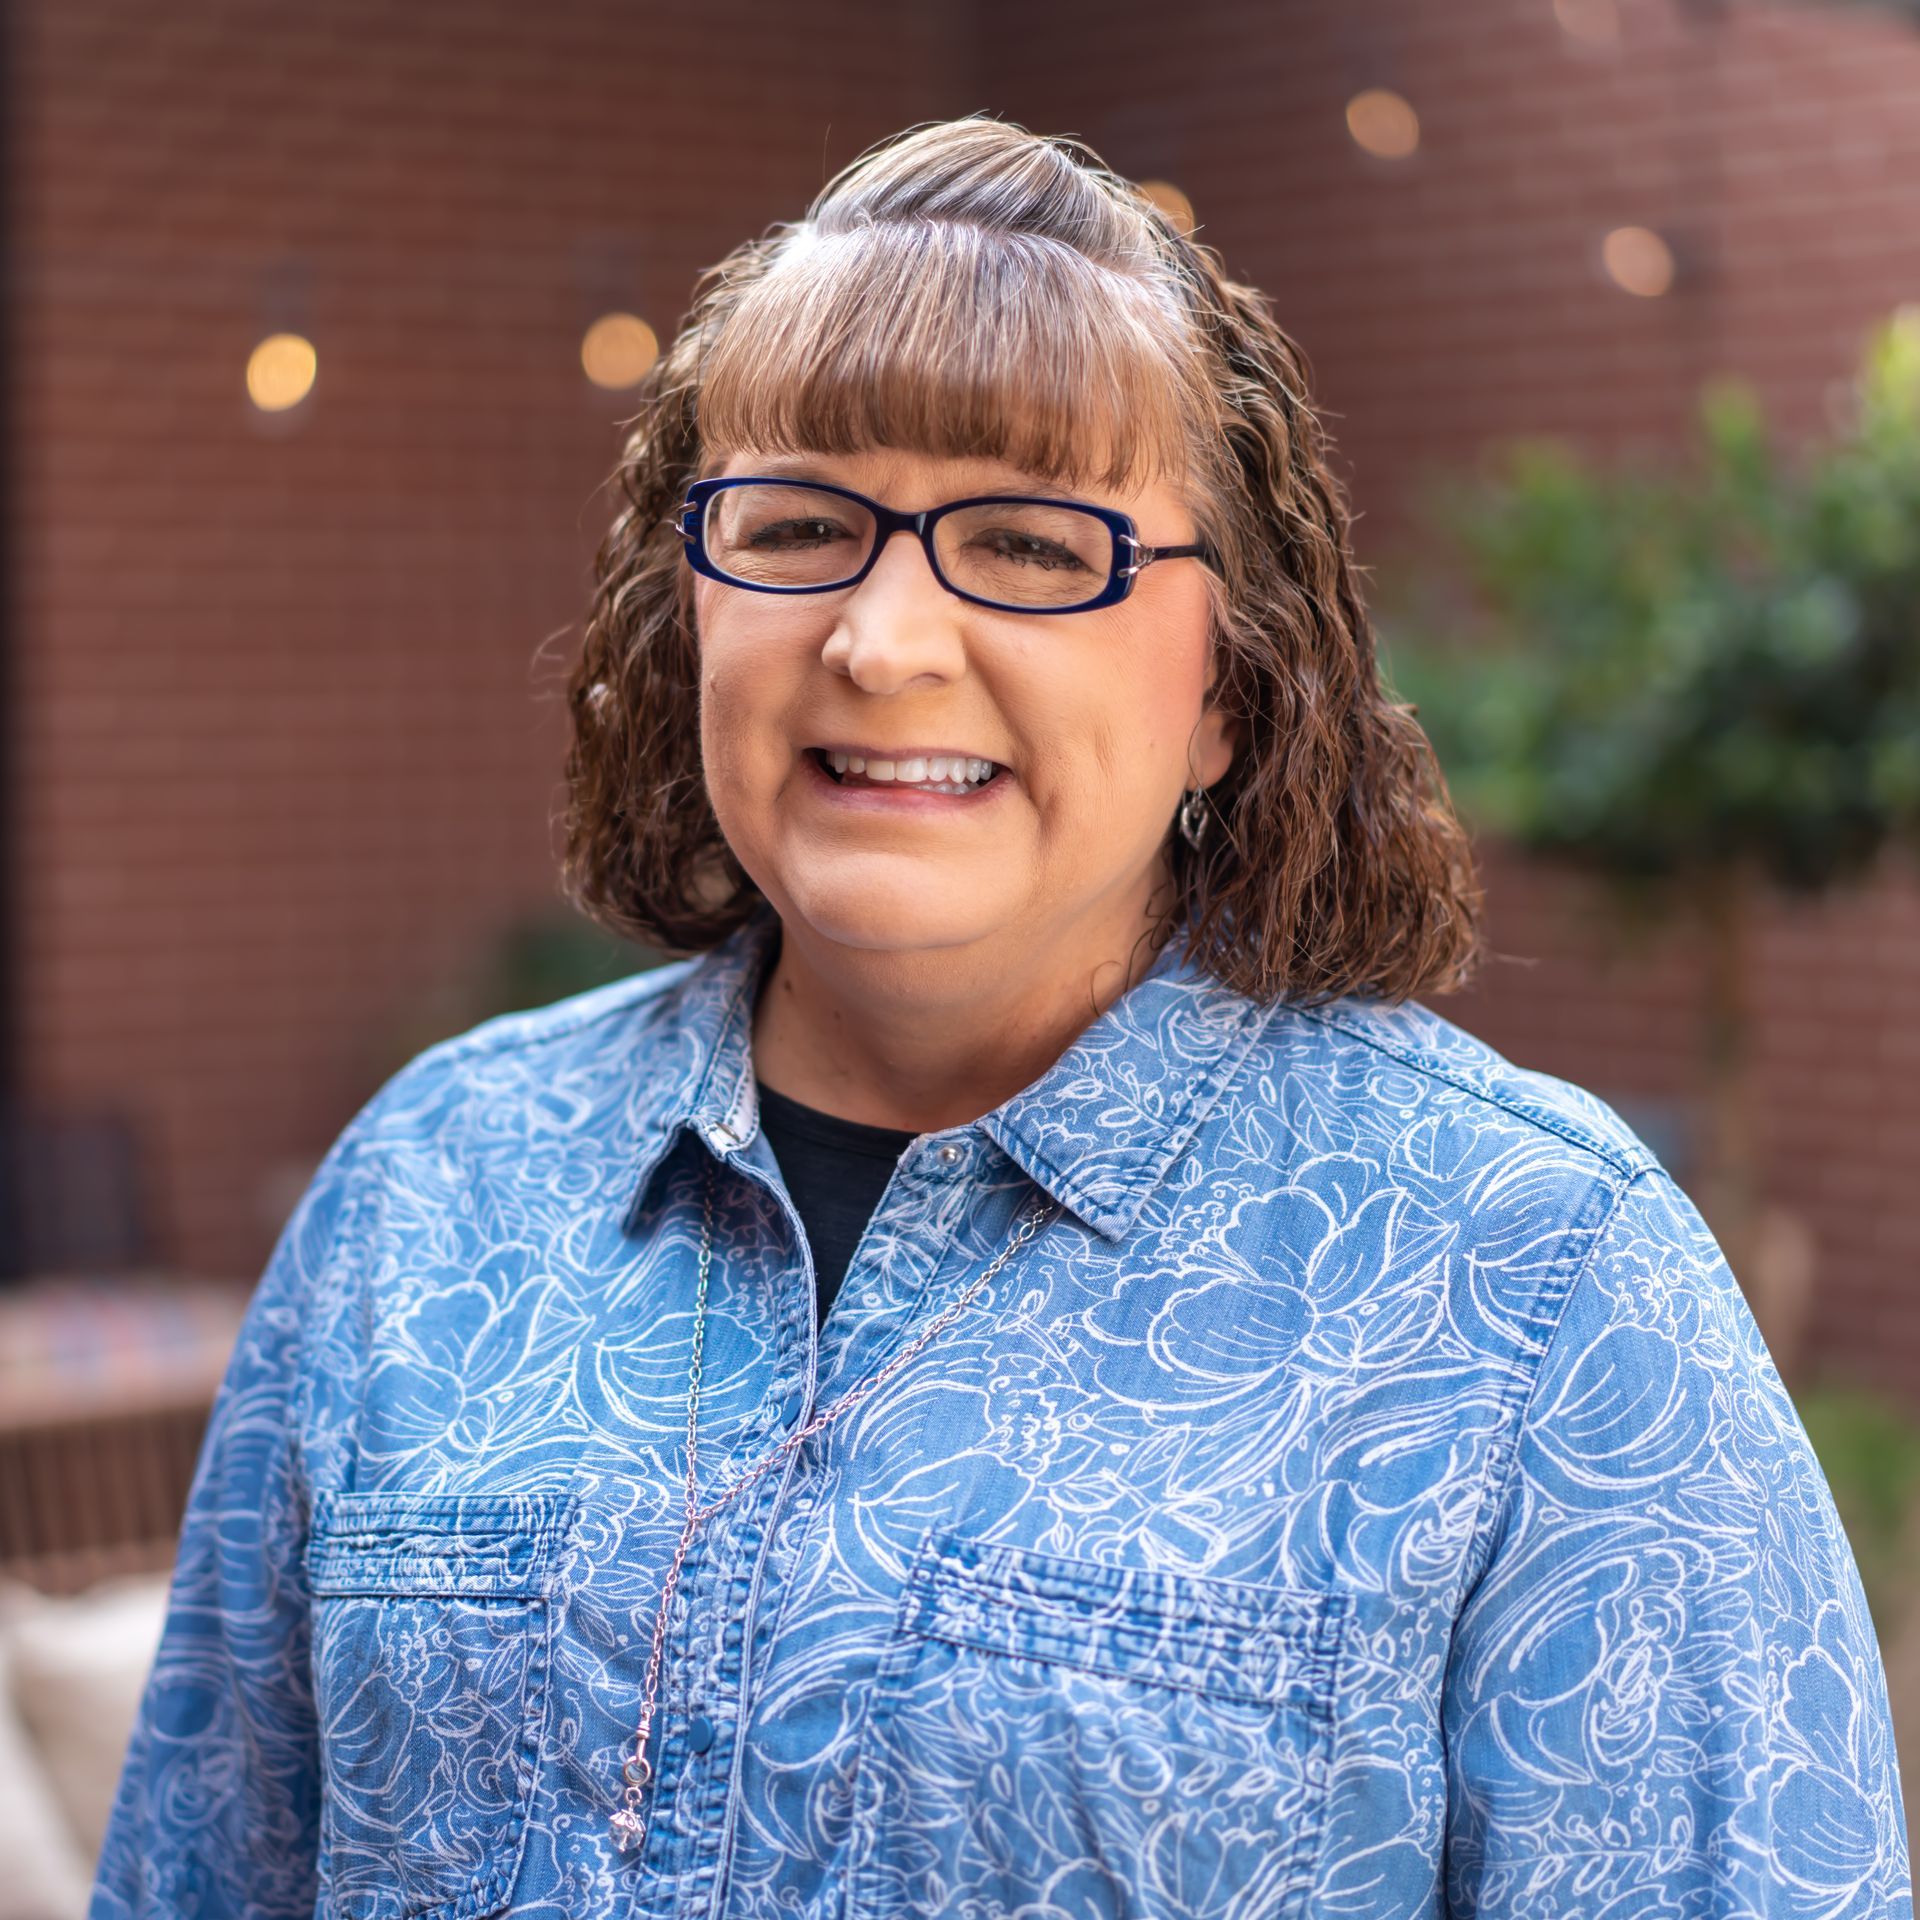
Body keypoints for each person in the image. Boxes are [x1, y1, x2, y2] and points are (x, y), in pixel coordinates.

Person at [92, 114, 1909, 1920]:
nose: (882, 642)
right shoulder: (429, 1187)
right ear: (687, 611)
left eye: (1036, 547)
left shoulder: (1529, 1289)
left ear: (1230, 687)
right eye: (798, 524)